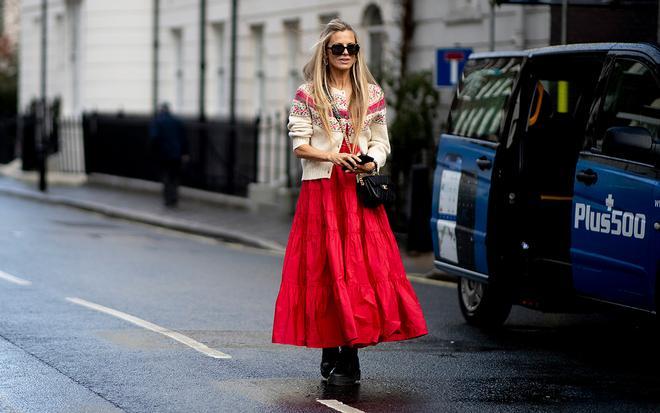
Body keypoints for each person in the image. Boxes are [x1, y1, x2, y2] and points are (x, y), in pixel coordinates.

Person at [272, 19, 428, 386]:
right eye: (338, 48)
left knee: (360, 271)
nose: (345, 54)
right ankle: (331, 345)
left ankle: (351, 352)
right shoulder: (308, 94)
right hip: (322, 192)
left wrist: (372, 159)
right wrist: (332, 157)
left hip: (357, 193)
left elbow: (381, 142)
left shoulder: (371, 94)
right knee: (327, 271)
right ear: (325, 54)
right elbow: (299, 145)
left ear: (358, 54)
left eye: (351, 48)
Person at [149, 103, 189, 207]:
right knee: (175, 176)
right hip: (177, 154)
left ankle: (168, 199)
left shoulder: (157, 122)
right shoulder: (177, 121)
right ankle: (174, 198)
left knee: (166, 176)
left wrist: (154, 152)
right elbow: (184, 139)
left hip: (164, 154)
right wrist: (185, 153)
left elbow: (154, 138)